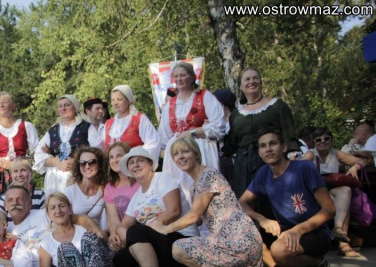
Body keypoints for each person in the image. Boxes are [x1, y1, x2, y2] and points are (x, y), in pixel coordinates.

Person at [156, 137, 264, 267]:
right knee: (181, 246)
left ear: (196, 154)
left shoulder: (209, 175)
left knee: (179, 249)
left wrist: (164, 229)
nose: (180, 157)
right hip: (226, 241)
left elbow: (193, 216)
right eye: (176, 154)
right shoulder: (194, 186)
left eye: (185, 151)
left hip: (239, 241)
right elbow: (198, 220)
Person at [239, 127, 335, 267]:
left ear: (283, 147)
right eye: (263, 146)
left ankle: (318, 263)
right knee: (245, 232)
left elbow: (329, 209)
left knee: (279, 251)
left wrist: (297, 231)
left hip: (315, 232)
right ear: (259, 152)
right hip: (284, 230)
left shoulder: (304, 168)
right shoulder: (264, 173)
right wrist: (262, 219)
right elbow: (241, 203)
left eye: (272, 144)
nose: (268, 149)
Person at [112, 147, 199, 267]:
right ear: (129, 170)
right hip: (159, 241)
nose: (136, 165)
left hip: (181, 238)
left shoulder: (163, 178)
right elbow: (123, 224)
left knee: (137, 232)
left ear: (151, 164)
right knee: (121, 259)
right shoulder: (137, 196)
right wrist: (125, 236)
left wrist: (139, 232)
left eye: (140, 161)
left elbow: (174, 210)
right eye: (131, 163)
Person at [226, 67, 300, 199]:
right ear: (241, 86)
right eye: (247, 79)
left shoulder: (277, 106)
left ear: (260, 82)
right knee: (246, 202)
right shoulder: (236, 115)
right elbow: (232, 144)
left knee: (275, 200)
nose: (251, 82)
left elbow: (289, 135)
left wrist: (291, 163)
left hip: (272, 160)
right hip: (244, 167)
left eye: (255, 78)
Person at [160, 63, 226, 201]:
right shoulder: (171, 104)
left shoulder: (204, 96)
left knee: (204, 188)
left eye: (183, 75)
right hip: (177, 151)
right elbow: (164, 134)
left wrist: (193, 133)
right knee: (179, 191)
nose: (179, 79)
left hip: (201, 149)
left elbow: (219, 126)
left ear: (191, 77)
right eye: (176, 76)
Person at [311, 127, 366, 257]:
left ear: (331, 140)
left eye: (326, 138)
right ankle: (343, 243)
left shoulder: (335, 152)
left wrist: (355, 167)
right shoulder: (311, 154)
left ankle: (338, 229)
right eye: (318, 140)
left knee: (346, 191)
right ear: (314, 142)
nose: (323, 142)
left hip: (331, 190)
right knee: (342, 202)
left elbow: (362, 161)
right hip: (315, 193)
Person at [0, 92, 40, 200]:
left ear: (13, 105)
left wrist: (23, 163)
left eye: (5, 102)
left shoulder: (26, 126)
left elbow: (37, 152)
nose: (1, 105)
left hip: (21, 174)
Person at [33, 95, 92, 196]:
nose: (63, 108)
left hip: (77, 174)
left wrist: (77, 161)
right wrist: (56, 161)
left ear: (75, 107)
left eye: (67, 105)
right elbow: (39, 153)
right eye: (60, 106)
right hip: (54, 178)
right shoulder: (53, 130)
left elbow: (96, 150)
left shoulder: (87, 127)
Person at [102, 85, 160, 159]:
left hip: (134, 164)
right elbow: (104, 150)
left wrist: (135, 155)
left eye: (119, 99)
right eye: (113, 100)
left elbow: (153, 143)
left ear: (128, 101)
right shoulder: (108, 124)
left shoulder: (139, 119)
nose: (115, 103)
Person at [105, 142, 140, 253]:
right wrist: (113, 234)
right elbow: (114, 221)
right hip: (123, 233)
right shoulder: (109, 187)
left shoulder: (139, 179)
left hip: (142, 228)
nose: (115, 160)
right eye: (111, 157)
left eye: (119, 156)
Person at [63, 147, 107, 228]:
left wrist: (100, 233)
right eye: (82, 163)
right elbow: (64, 220)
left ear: (100, 165)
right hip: (76, 234)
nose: (87, 166)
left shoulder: (104, 190)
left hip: (97, 234)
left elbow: (111, 221)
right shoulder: (70, 191)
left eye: (92, 162)